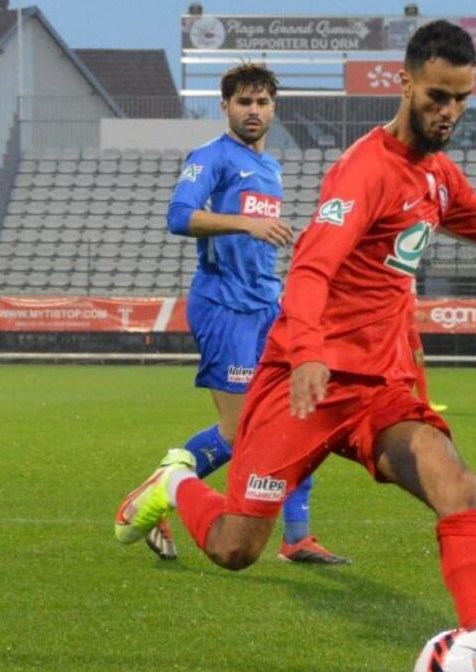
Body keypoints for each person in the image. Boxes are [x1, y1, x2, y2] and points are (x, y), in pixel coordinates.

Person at [115, 20, 476, 672]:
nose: (449, 111)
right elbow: (312, 265)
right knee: (235, 547)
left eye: (462, 98)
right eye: (437, 95)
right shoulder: (366, 169)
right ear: (404, 83)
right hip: (301, 384)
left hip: (377, 392)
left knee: (458, 483)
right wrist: (311, 351)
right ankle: (174, 482)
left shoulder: (438, 176)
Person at [135, 62, 347, 565]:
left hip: (266, 305)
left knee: (298, 415)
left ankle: (296, 537)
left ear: (274, 107)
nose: (254, 111)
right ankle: (159, 494)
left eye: (263, 102)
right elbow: (179, 216)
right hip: (224, 305)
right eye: (244, 102)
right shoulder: (211, 157)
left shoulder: (271, 167)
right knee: (236, 433)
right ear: (225, 106)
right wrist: (245, 224)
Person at [410, 300, 448, 412]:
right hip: (404, 320)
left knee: (417, 357)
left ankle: (422, 400)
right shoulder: (405, 283)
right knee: (415, 357)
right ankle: (422, 401)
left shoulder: (409, 284)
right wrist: (412, 312)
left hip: (407, 320)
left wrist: (413, 310)